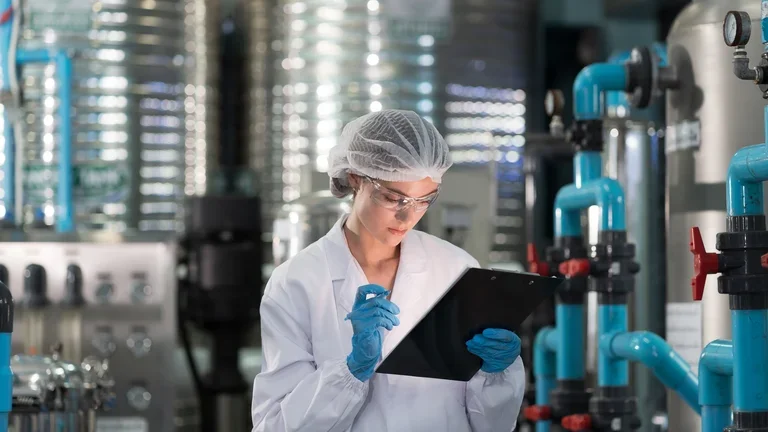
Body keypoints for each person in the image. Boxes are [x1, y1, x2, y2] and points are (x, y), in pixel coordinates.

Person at [251, 109, 525, 431]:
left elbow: (492, 425)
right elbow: (275, 426)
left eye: (423, 201)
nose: (407, 217)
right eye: (394, 198)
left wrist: (495, 374)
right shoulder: (296, 283)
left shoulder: (456, 269)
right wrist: (351, 371)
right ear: (355, 178)